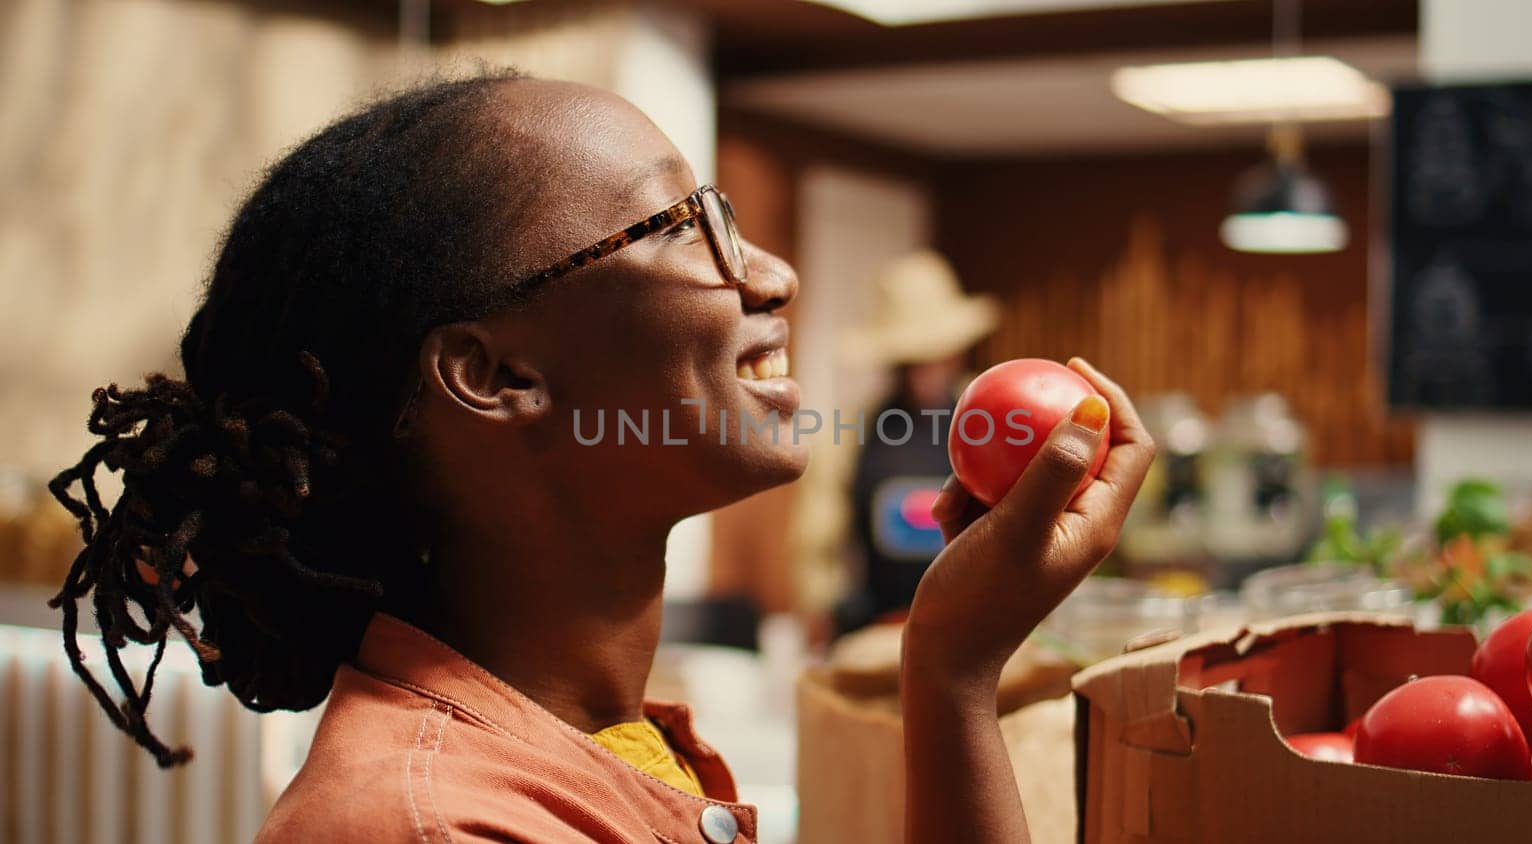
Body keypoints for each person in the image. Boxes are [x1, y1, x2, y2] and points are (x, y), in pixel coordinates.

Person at [47, 73, 1154, 843]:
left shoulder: (617, 748)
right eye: (682, 226)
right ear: (494, 376)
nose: (769, 275)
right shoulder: (438, 826)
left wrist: (950, 670)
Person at [837, 250, 999, 635]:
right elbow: (822, 543)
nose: (923, 373)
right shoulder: (855, 432)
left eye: (935, 356)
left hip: (970, 625)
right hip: (879, 627)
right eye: (910, 361)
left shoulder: (990, 419)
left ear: (957, 352)